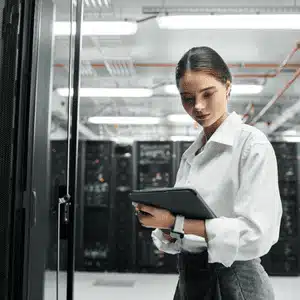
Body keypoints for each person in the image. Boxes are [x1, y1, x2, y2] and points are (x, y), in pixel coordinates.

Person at [135, 46, 283, 299]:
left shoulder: (251, 145)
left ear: (227, 87)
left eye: (208, 94)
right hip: (190, 280)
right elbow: (185, 235)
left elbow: (258, 234)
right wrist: (165, 225)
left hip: (234, 283)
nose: (198, 107)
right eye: (188, 98)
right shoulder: (192, 153)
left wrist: (175, 222)